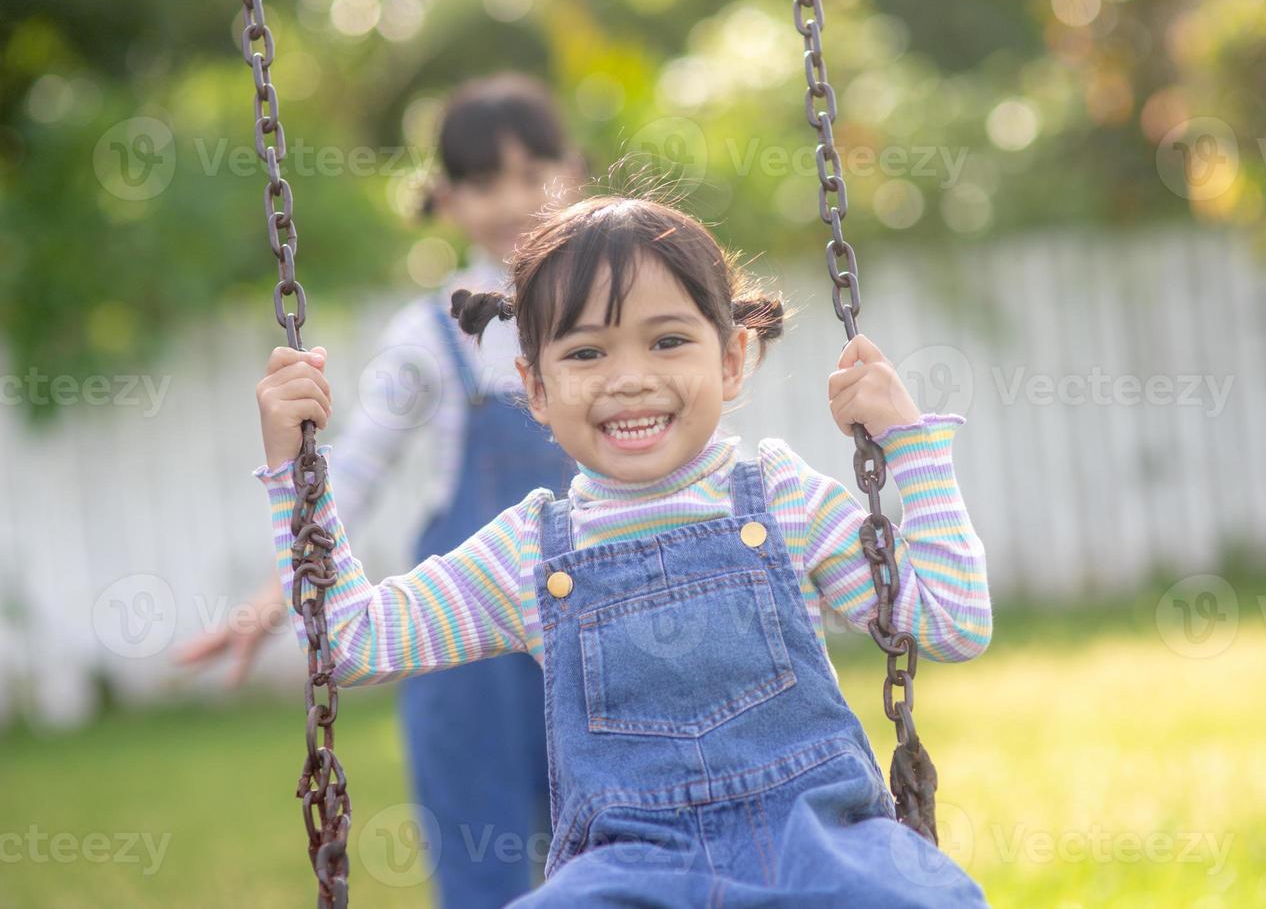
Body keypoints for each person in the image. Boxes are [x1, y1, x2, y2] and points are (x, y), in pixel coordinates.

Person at [253, 194, 993, 905]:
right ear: (535, 388)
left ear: (733, 358)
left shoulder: (788, 501)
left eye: (668, 341)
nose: (630, 379)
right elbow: (346, 644)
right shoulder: (528, 554)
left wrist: (911, 446)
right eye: (585, 353)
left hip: (824, 846)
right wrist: (296, 478)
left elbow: (952, 623)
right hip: (629, 875)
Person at [179, 74, 582, 905]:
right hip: (467, 631)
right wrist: (270, 601)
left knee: (615, 837)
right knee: (481, 844)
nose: (511, 198)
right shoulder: (431, 336)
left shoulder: (609, 307)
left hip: (597, 616)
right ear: (443, 200)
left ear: (573, 171)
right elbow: (353, 469)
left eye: (531, 171)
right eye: (481, 181)